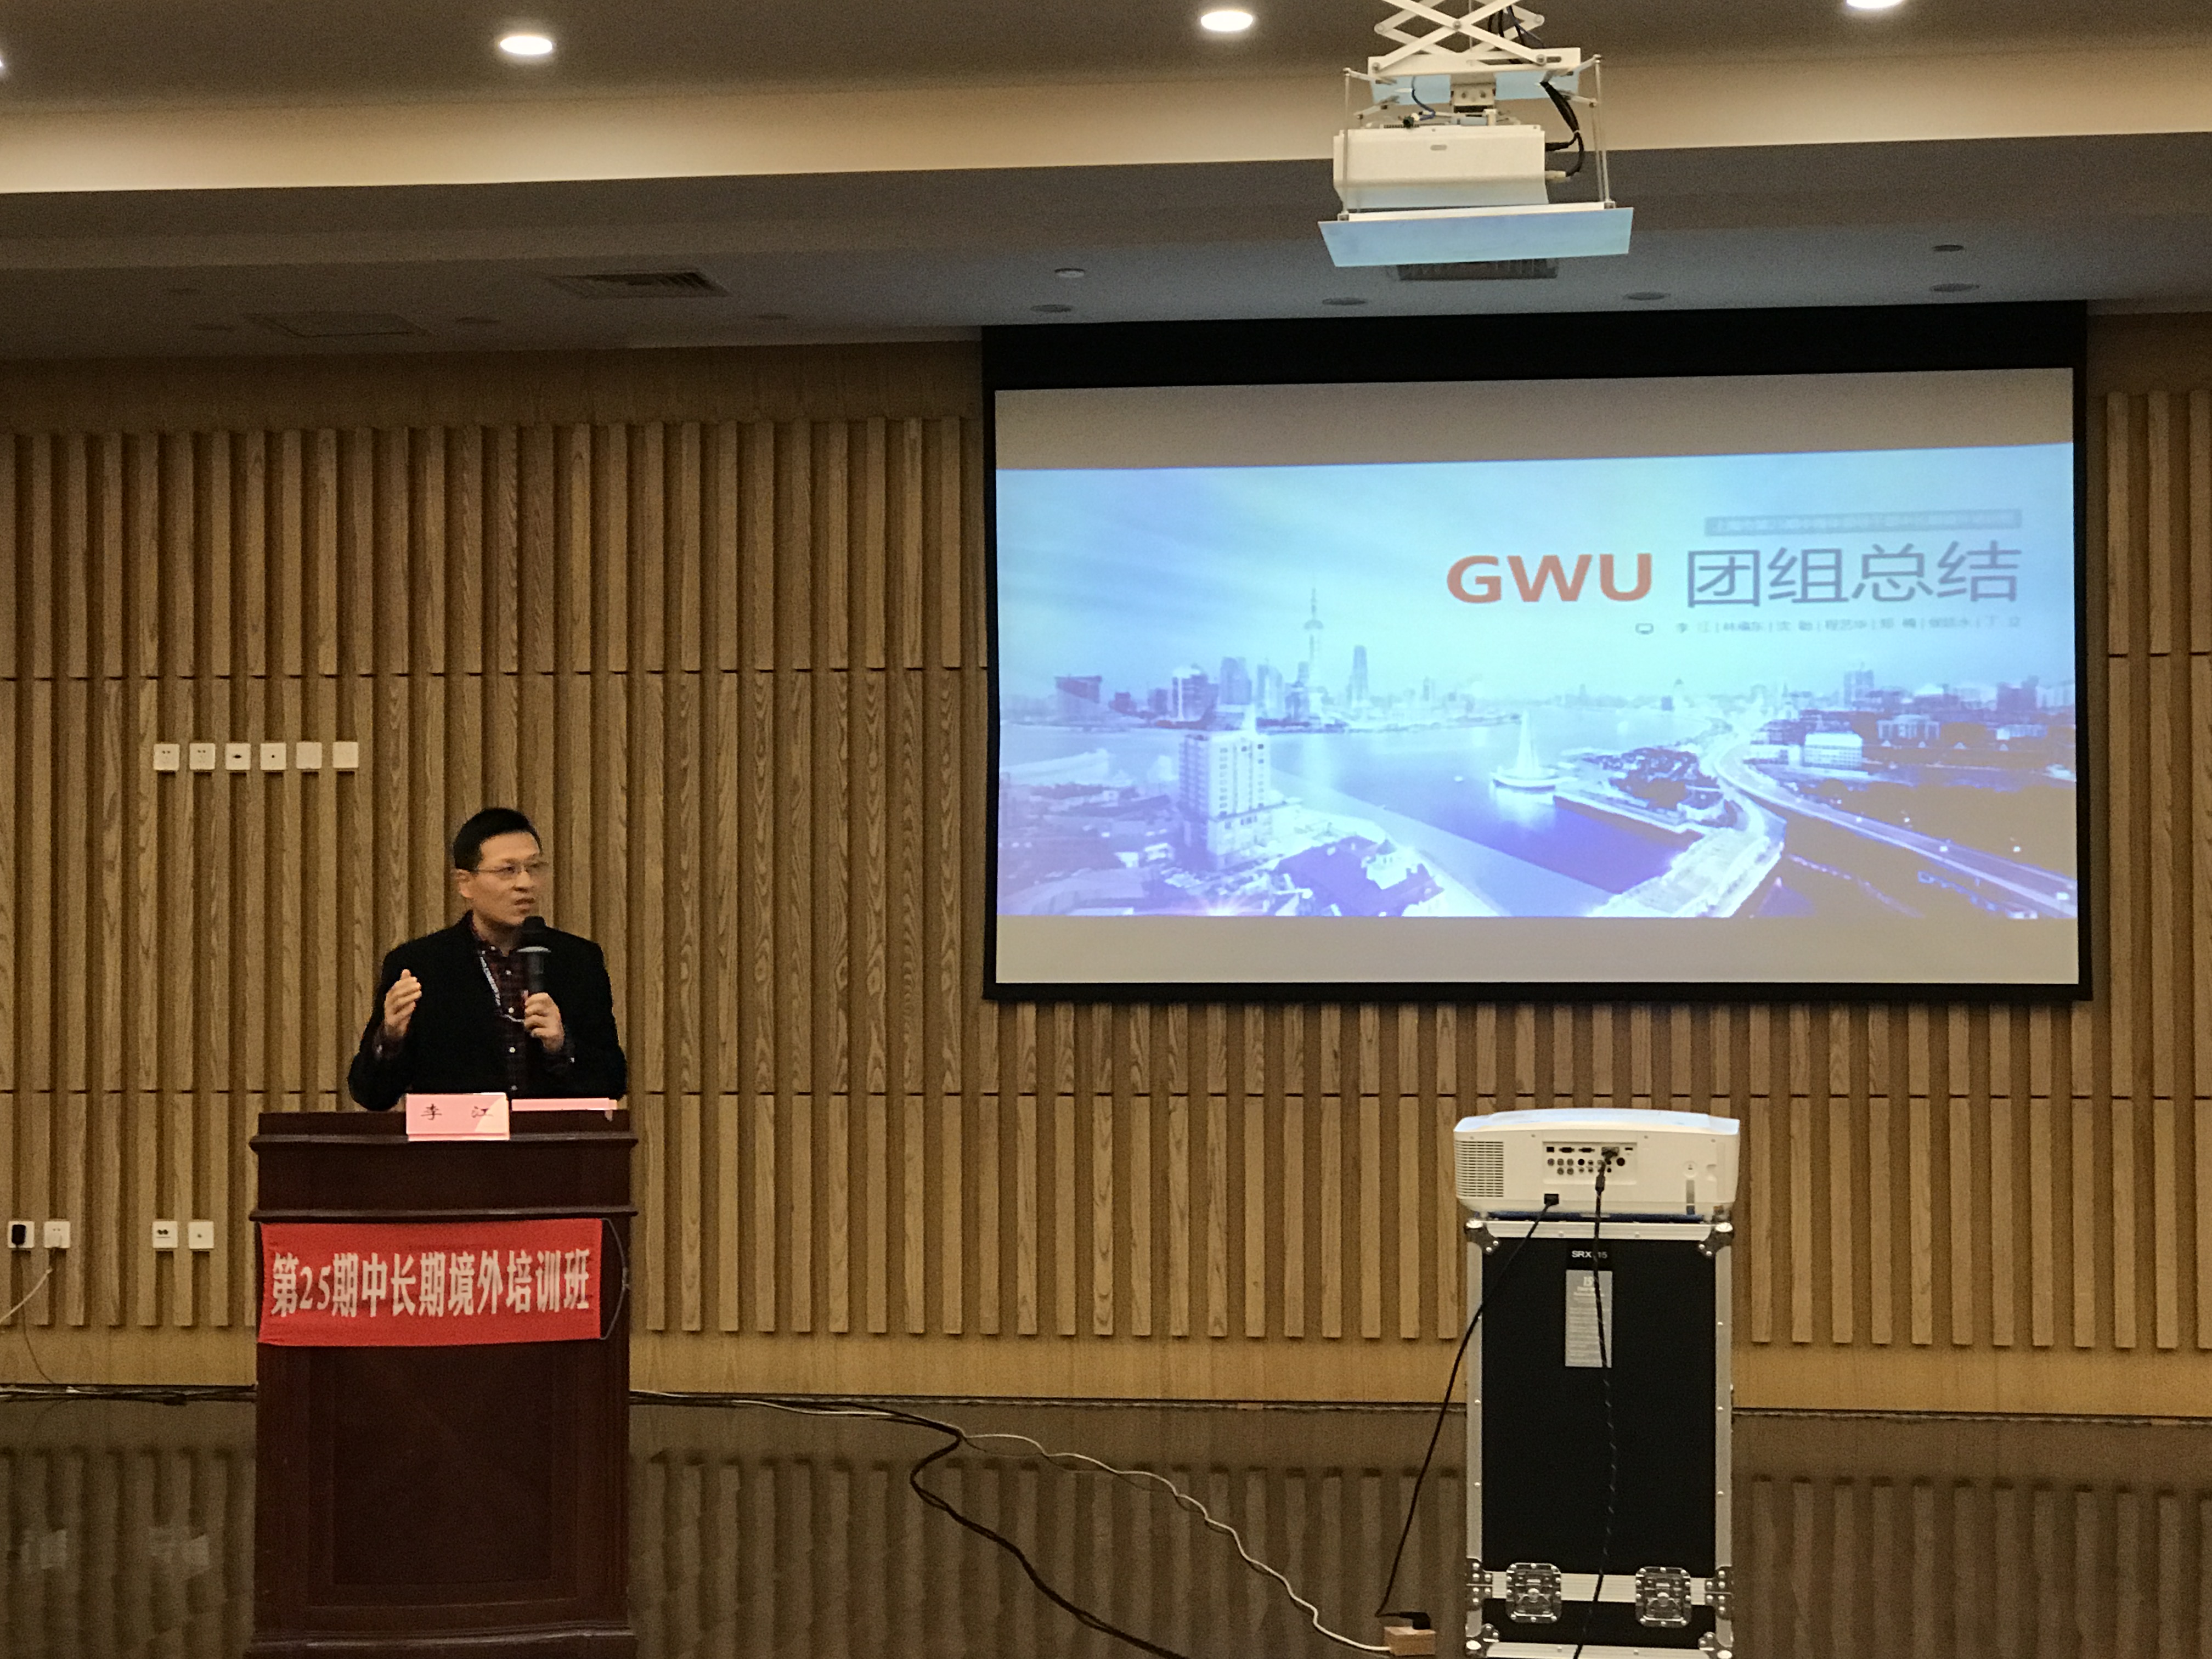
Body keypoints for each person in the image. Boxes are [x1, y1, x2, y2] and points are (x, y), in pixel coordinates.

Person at [348, 808, 627, 1110]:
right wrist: (390, 1037)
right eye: (508, 870)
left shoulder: (577, 961)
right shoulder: (420, 965)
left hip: (551, 1138)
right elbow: (371, 1095)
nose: (525, 883)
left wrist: (562, 1046)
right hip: (457, 1139)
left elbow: (613, 1083)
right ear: (465, 883)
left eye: (534, 867)